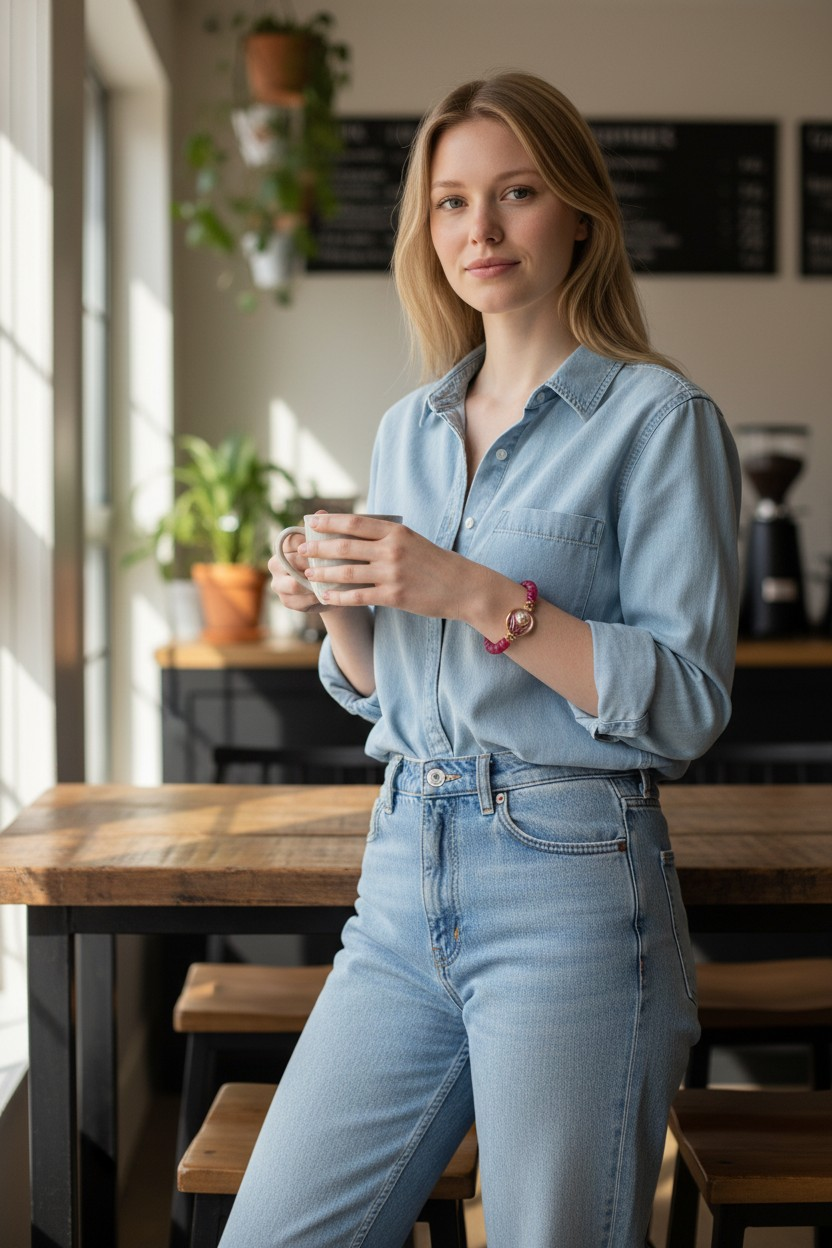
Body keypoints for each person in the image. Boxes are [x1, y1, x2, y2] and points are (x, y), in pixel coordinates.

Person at [219, 71, 740, 1248]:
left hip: (571, 881)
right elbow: (383, 686)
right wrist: (332, 601)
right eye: (451, 203)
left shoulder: (659, 421)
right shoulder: (410, 427)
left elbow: (688, 701)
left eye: (515, 194)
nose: (480, 231)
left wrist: (474, 592)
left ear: (580, 217)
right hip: (401, 872)